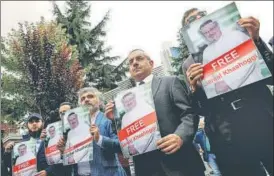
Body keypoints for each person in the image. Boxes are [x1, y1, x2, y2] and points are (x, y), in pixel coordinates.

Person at [181, 8, 273, 176]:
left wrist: (257, 41)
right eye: (191, 20)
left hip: (263, 117)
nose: (198, 19)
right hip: (228, 135)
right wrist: (194, 89)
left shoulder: (242, 36)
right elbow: (200, 108)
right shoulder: (190, 64)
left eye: (202, 16)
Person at [105, 49, 205, 176]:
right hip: (146, 169)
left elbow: (189, 114)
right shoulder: (123, 101)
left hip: (181, 164)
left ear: (151, 63)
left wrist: (180, 136)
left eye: (139, 58)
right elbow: (125, 138)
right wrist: (114, 120)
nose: (134, 63)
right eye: (131, 62)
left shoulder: (170, 82)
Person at [58, 87, 127, 176]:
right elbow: (73, 157)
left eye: (90, 96)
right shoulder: (74, 127)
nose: (86, 99)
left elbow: (122, 146)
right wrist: (64, 151)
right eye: (83, 99)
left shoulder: (108, 118)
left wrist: (100, 139)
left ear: (99, 101)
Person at [199, 19, 264, 97]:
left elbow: (250, 60)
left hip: (253, 87)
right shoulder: (207, 52)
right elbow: (207, 76)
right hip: (230, 96)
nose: (210, 33)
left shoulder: (236, 35)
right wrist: (214, 86)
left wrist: (228, 82)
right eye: (206, 32)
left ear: (217, 26)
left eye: (211, 29)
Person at [120, 91, 161, 156]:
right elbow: (123, 136)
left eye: (130, 99)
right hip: (135, 153)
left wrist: (136, 147)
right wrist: (129, 148)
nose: (128, 102)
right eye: (126, 101)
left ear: (134, 99)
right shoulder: (124, 117)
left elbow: (151, 130)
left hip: (152, 147)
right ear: (124, 104)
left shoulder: (146, 108)